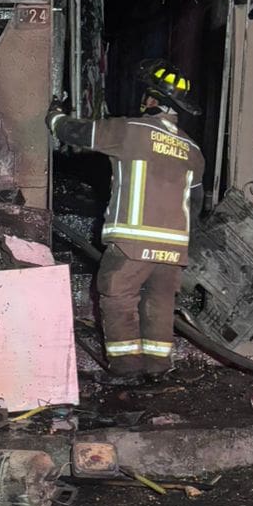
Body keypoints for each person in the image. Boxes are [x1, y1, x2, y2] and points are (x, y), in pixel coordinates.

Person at [48, 61, 205, 380]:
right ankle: (158, 368)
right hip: (174, 250)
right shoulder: (193, 150)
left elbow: (75, 132)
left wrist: (53, 114)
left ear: (152, 100)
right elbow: (196, 203)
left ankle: (126, 369)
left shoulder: (131, 130)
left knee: (117, 295)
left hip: (132, 243)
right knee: (159, 304)